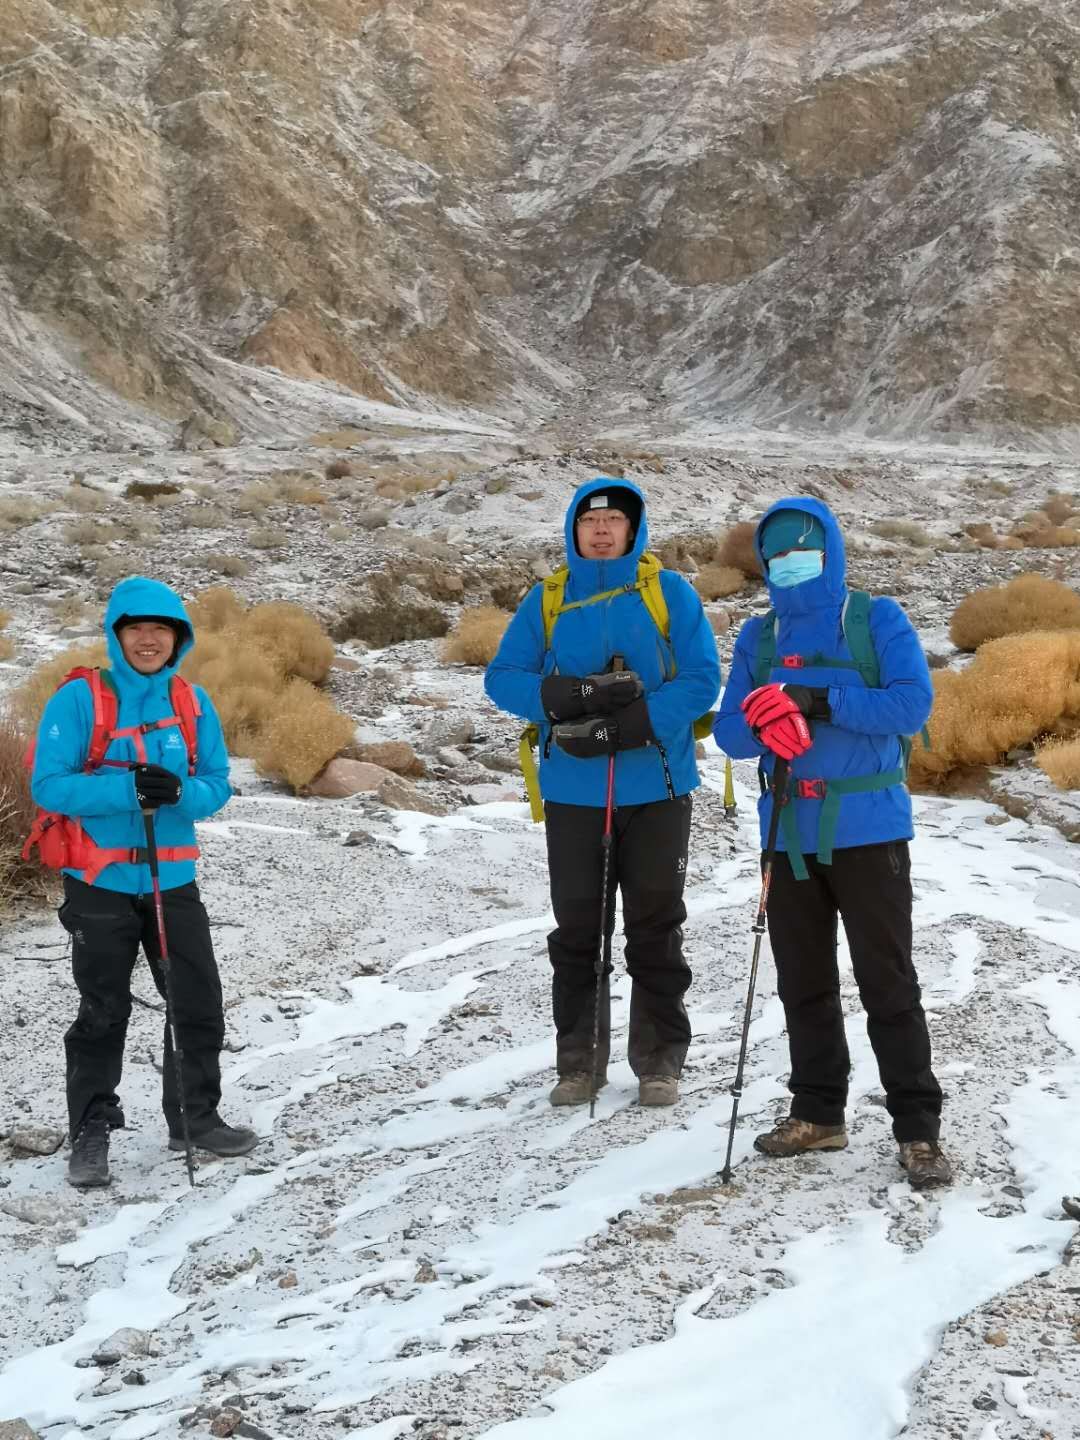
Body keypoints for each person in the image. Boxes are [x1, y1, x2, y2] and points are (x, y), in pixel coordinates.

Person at [713, 499, 952, 1189]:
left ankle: (918, 1131)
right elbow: (727, 732)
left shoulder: (877, 620)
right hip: (786, 832)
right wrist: (762, 717)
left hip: (869, 829)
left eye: (803, 550)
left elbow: (910, 705)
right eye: (777, 554)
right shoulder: (758, 639)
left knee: (888, 983)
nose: (789, 563)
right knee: (804, 983)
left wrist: (817, 702)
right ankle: (819, 1114)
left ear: (831, 551)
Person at [485, 478, 720, 1107]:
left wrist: (636, 724)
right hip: (574, 791)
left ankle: (659, 1060)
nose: (602, 530)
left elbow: (702, 678)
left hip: (658, 787)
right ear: (573, 530)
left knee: (655, 925)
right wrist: (568, 697)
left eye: (615, 519)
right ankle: (578, 1063)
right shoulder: (549, 599)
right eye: (591, 521)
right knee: (578, 930)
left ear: (633, 529)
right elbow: (503, 676)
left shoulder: (669, 593)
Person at [30, 576, 256, 1187]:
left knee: (197, 1002)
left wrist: (182, 791)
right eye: (137, 628)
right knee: (103, 1009)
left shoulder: (191, 701)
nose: (149, 639)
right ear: (117, 634)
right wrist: (124, 788)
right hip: (99, 883)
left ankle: (195, 1118)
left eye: (161, 629)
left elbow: (217, 782)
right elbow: (48, 786)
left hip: (172, 878)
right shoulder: (80, 700)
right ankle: (91, 1131)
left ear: (178, 637)